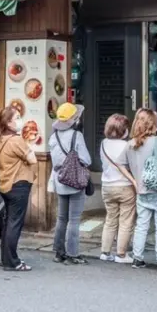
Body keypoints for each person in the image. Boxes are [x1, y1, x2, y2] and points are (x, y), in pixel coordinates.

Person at [121, 109, 157, 271]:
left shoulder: (130, 144)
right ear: (153, 123)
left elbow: (121, 165)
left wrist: (135, 181)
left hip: (141, 191)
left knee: (141, 225)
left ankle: (137, 258)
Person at [49, 103, 91, 265]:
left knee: (61, 218)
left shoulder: (53, 137)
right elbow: (86, 159)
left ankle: (59, 252)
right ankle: (73, 253)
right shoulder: (76, 136)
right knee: (74, 219)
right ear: (74, 119)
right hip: (75, 181)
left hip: (60, 179)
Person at [0, 106, 37, 272]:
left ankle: (6, 258)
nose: (20, 120)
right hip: (18, 184)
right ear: (8, 122)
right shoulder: (16, 140)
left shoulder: (0, 139)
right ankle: (12, 261)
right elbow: (32, 159)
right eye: (17, 117)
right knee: (14, 224)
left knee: (8, 223)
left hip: (5, 185)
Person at [99, 114, 137, 264]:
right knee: (126, 220)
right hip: (124, 185)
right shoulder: (127, 146)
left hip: (107, 186)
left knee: (110, 219)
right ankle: (121, 254)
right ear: (124, 130)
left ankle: (105, 251)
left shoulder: (103, 144)